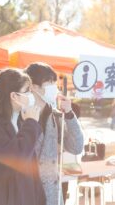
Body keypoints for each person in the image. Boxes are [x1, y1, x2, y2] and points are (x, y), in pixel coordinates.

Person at [0, 69, 45, 205]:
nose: (31, 95)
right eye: (27, 90)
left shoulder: (21, 121)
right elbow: (15, 159)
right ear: (14, 96)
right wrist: (31, 124)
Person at [25, 62, 84, 205]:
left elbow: (76, 147)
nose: (54, 88)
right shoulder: (21, 116)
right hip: (28, 193)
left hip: (53, 195)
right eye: (49, 82)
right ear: (33, 86)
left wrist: (69, 114)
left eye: (54, 82)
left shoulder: (56, 116)